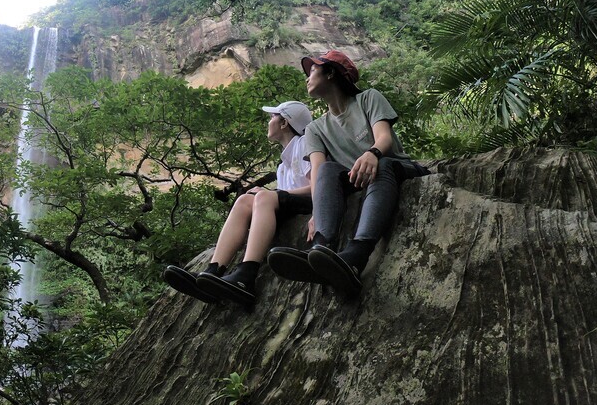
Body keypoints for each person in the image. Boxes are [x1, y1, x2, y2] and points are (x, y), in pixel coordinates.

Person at [268, 51, 429, 296]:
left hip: (395, 167)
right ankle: (321, 250)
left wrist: (372, 153)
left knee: (383, 164)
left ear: (331, 73)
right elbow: (318, 170)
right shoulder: (315, 129)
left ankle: (356, 255)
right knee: (328, 169)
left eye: (313, 70)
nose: (307, 78)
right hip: (356, 179)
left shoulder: (368, 98)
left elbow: (384, 137)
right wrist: (317, 212)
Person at [163, 100, 314, 307]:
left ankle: (246, 275)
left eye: (273, 117)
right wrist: (272, 195)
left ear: (284, 123)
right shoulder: (282, 164)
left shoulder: (303, 143)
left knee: (263, 196)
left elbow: (316, 186)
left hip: (309, 203)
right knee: (244, 200)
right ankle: (213, 272)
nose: (269, 121)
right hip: (290, 204)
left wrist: (273, 193)